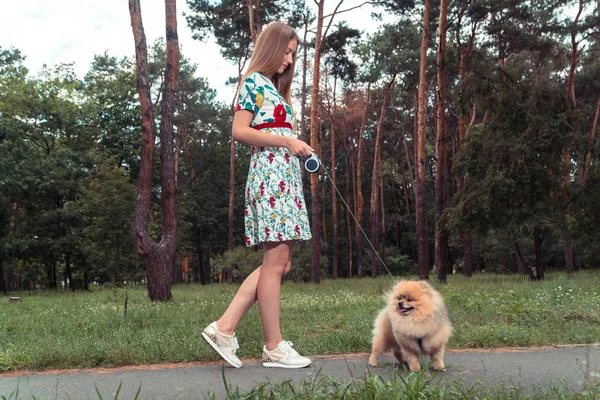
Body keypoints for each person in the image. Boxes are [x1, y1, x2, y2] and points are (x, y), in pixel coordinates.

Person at [202, 22, 314, 369]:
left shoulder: (273, 89)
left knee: (279, 263)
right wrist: (287, 140)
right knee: (275, 263)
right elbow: (239, 131)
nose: (289, 59)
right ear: (271, 47)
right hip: (270, 178)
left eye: (293, 54)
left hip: (285, 177)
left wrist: (296, 147)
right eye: (286, 51)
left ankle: (224, 328)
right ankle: (274, 346)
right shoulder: (253, 81)